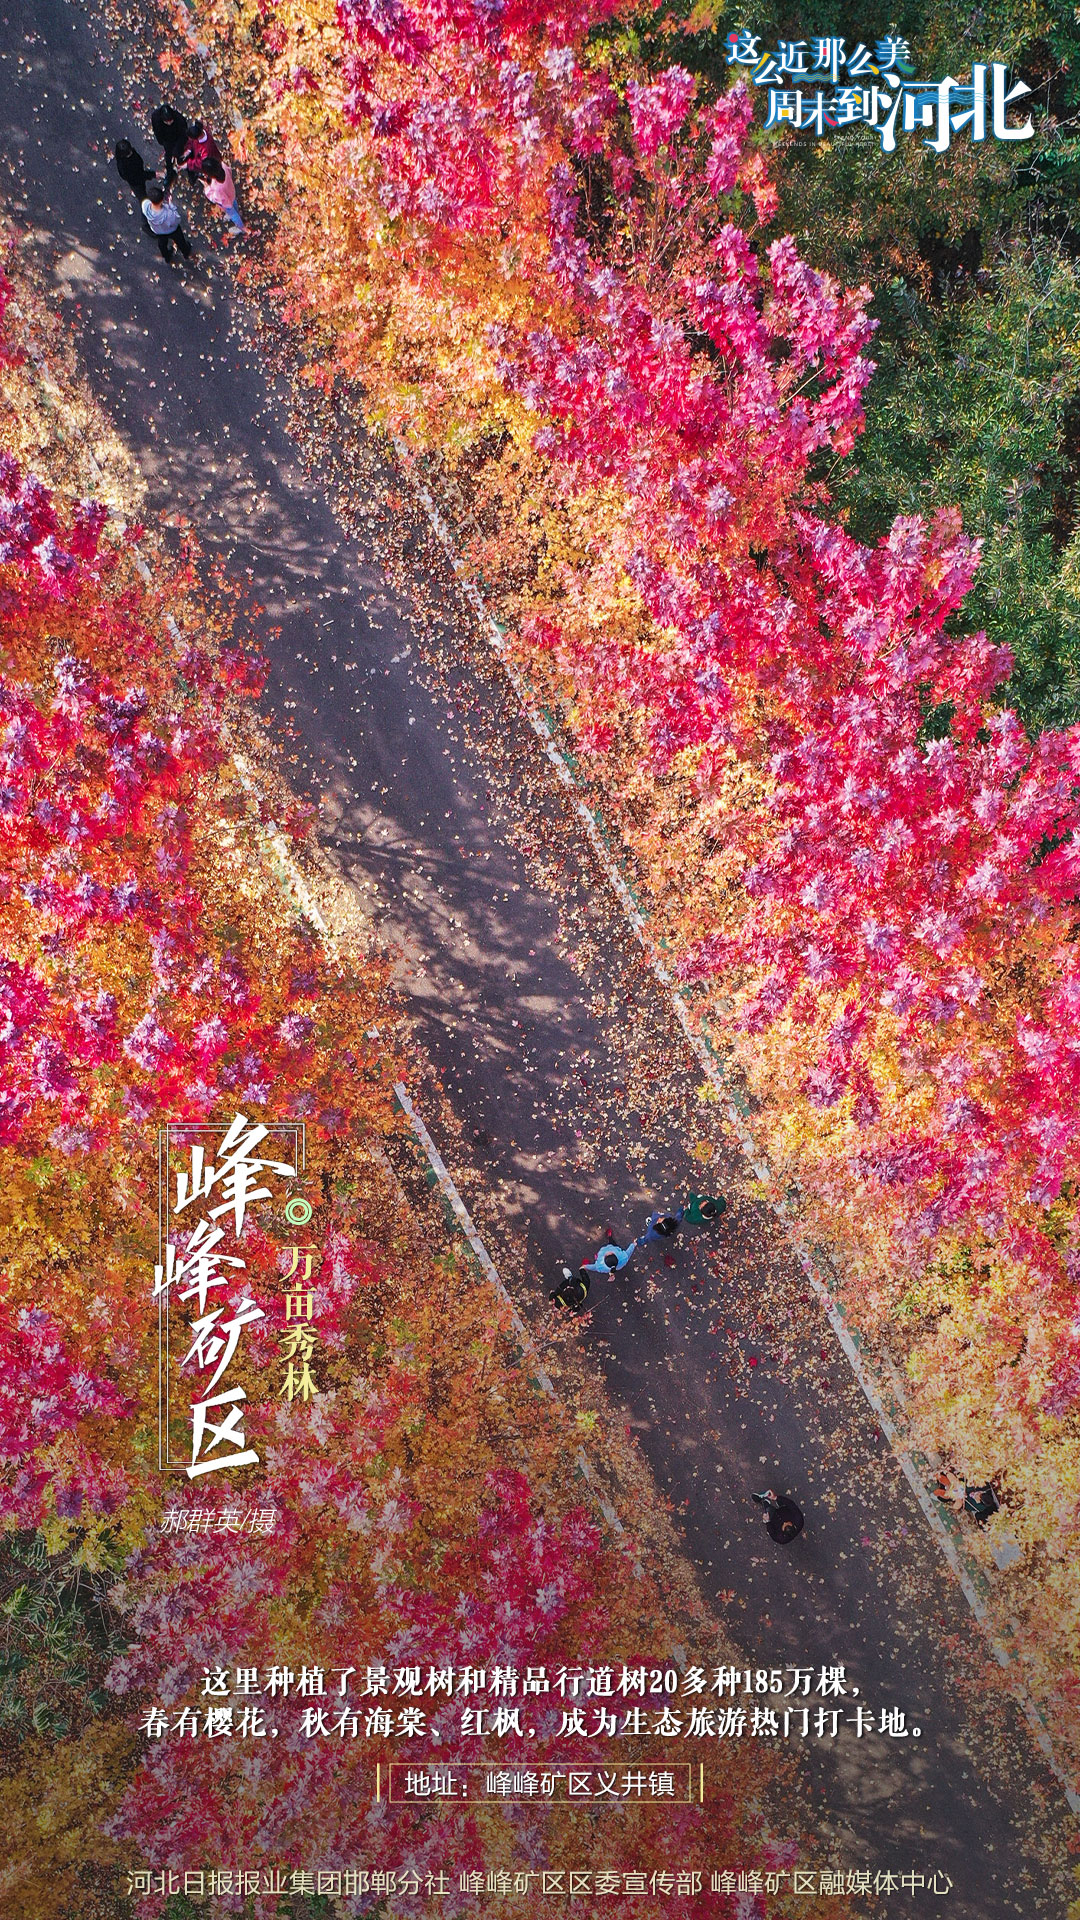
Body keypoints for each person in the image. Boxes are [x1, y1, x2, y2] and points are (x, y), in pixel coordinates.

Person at [141, 180, 193, 262]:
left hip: (158, 231)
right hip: (172, 230)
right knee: (180, 241)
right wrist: (170, 205)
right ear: (162, 200)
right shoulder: (168, 214)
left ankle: (166, 256)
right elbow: (177, 220)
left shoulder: (145, 206)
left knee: (162, 244)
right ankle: (185, 252)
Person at [199, 155, 244, 233]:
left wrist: (206, 188)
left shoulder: (217, 187)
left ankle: (240, 227)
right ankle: (237, 212)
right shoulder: (223, 166)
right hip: (231, 191)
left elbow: (214, 198)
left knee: (233, 214)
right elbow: (229, 171)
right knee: (234, 203)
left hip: (226, 202)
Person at [150, 102, 192, 173]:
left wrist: (178, 147)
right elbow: (157, 131)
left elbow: (184, 134)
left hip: (178, 139)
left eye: (171, 121)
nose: (169, 123)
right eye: (167, 122)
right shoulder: (156, 118)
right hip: (166, 140)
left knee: (180, 154)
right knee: (168, 156)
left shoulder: (179, 119)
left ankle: (185, 165)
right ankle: (169, 171)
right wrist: (163, 142)